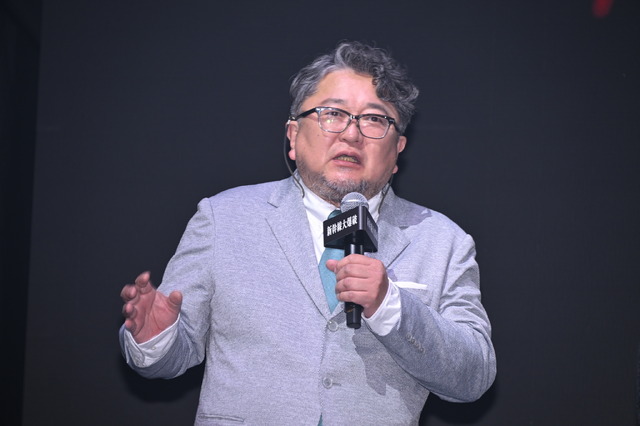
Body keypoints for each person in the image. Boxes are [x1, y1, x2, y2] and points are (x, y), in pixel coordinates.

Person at [119, 40, 496, 425]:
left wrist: (391, 306)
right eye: (333, 113)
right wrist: (156, 338)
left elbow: (473, 377)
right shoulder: (224, 217)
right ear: (294, 135)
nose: (352, 134)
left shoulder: (442, 241)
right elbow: (174, 354)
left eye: (373, 119)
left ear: (398, 149)